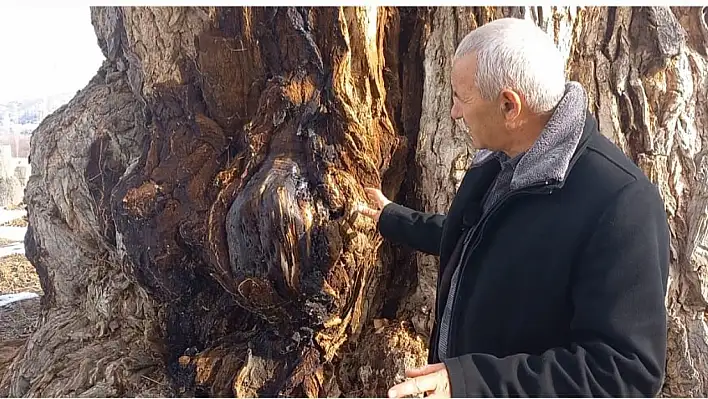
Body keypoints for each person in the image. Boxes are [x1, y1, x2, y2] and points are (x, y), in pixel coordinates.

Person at [356, 18, 670, 398]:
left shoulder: (621, 203)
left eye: (461, 98)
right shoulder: (502, 160)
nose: (454, 112)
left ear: (509, 106)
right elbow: (481, 239)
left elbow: (623, 373)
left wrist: (472, 383)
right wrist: (394, 219)